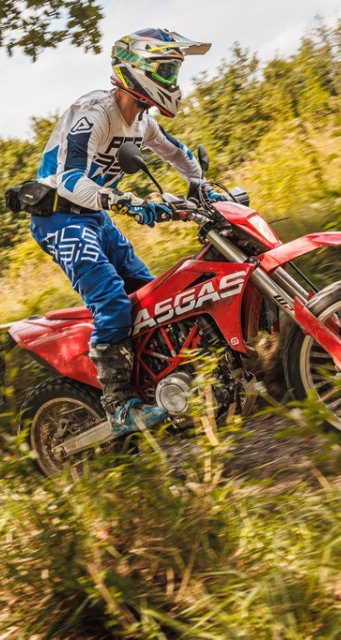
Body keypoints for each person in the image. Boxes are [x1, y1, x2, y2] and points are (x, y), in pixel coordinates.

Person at [31, 28, 214, 435]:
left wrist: (202, 187)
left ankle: (165, 389)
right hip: (59, 217)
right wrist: (124, 200)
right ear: (138, 70)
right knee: (113, 302)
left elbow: (178, 155)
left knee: (153, 297)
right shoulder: (93, 112)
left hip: (95, 215)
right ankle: (118, 406)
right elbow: (69, 177)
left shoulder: (142, 123)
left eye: (174, 72)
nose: (172, 81)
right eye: (166, 71)